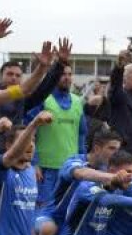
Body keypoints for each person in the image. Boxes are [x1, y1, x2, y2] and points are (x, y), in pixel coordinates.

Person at [28, 63, 88, 207]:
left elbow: (81, 134)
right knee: (43, 209)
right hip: (45, 168)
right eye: (62, 74)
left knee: (65, 209)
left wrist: (82, 159)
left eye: (69, 74)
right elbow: (29, 132)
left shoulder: (77, 101)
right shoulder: (42, 100)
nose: (66, 78)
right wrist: (33, 163)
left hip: (70, 168)